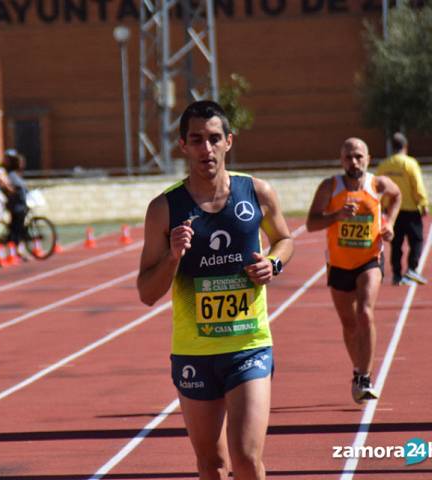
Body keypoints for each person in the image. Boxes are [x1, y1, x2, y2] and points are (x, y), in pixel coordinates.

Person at [137, 100, 294, 480]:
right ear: (183, 146)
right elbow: (146, 291)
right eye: (196, 140)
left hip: (248, 345)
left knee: (244, 458)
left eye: (213, 139)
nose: (205, 149)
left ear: (228, 142)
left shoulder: (256, 192)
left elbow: (285, 239)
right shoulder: (164, 208)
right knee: (213, 465)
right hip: (195, 351)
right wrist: (173, 256)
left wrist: (272, 263)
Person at [306, 138, 401, 404]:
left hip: (370, 259)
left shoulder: (377, 184)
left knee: (365, 312)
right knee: (349, 324)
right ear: (341, 160)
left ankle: (365, 377)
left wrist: (389, 223)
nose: (354, 162)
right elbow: (311, 223)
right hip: (339, 264)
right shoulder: (330, 187)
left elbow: (397, 196)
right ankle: (359, 370)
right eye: (349, 157)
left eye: (359, 156)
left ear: (368, 159)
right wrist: (336, 216)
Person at [376, 132, 429, 286]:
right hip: (410, 209)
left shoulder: (384, 165)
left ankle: (397, 275)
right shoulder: (410, 163)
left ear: (392, 147)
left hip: (392, 211)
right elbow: (417, 185)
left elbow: (378, 186)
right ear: (405, 146)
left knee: (396, 243)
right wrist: (423, 203)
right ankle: (412, 269)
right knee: (416, 241)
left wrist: (382, 205)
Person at [3, 150, 29, 247]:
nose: (22, 165)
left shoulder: (17, 174)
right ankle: (13, 245)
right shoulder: (11, 174)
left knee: (19, 225)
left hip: (21, 203)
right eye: (20, 163)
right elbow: (12, 188)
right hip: (16, 204)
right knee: (16, 226)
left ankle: (16, 245)